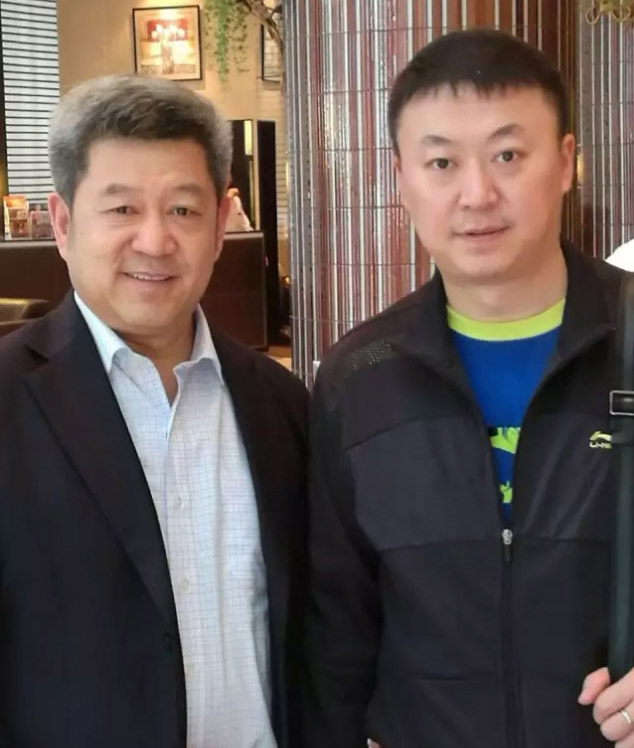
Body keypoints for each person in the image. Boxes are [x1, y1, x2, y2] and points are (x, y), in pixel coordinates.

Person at [303, 29, 631, 748]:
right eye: (442, 163)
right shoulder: (359, 378)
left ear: (566, 162)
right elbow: (336, 633)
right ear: (401, 179)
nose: (477, 194)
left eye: (508, 155)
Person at [0, 74, 308, 748]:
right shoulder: (10, 400)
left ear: (221, 226)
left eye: (183, 210)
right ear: (63, 223)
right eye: (121, 209)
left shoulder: (282, 404)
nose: (155, 240)